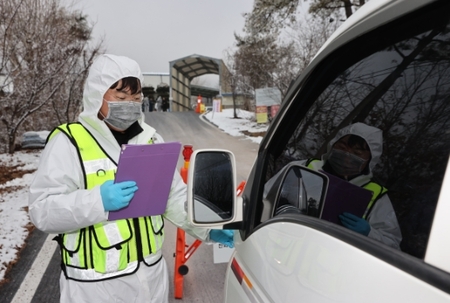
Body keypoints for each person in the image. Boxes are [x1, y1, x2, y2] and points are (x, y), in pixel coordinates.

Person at [28, 54, 233, 303]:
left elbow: (173, 198)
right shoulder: (69, 142)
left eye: (136, 99)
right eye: (121, 97)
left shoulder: (150, 139)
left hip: (151, 279)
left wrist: (210, 228)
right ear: (96, 96)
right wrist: (98, 201)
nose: (130, 105)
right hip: (95, 287)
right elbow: (42, 210)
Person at [268, 123, 402, 249]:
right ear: (332, 145)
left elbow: (393, 245)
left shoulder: (376, 197)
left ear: (370, 160)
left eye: (357, 153)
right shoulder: (301, 169)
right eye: (342, 147)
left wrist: (369, 234)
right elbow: (264, 197)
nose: (347, 155)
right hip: (278, 258)